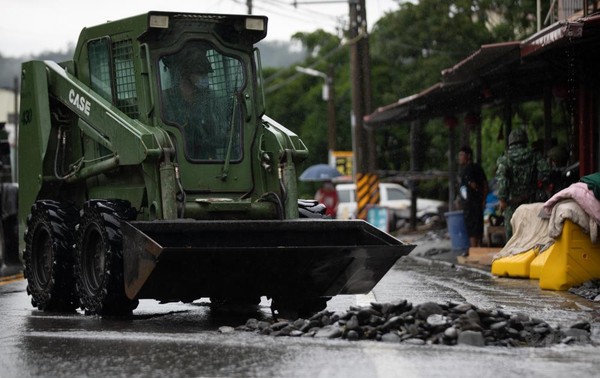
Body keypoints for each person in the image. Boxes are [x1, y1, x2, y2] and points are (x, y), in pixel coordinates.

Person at [495, 128, 551, 239]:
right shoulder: (535, 155)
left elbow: (502, 181)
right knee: (531, 235)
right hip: (531, 201)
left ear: (510, 142)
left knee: (512, 238)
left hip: (512, 204)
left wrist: (502, 200)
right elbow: (546, 171)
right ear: (525, 141)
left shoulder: (505, 159)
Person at [458, 146, 488, 247]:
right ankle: (477, 249)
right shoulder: (468, 169)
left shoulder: (471, 169)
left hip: (473, 204)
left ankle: (475, 250)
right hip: (471, 204)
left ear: (468, 156)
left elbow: (482, 185)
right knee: (476, 228)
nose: (460, 157)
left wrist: (482, 198)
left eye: (462, 155)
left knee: (474, 230)